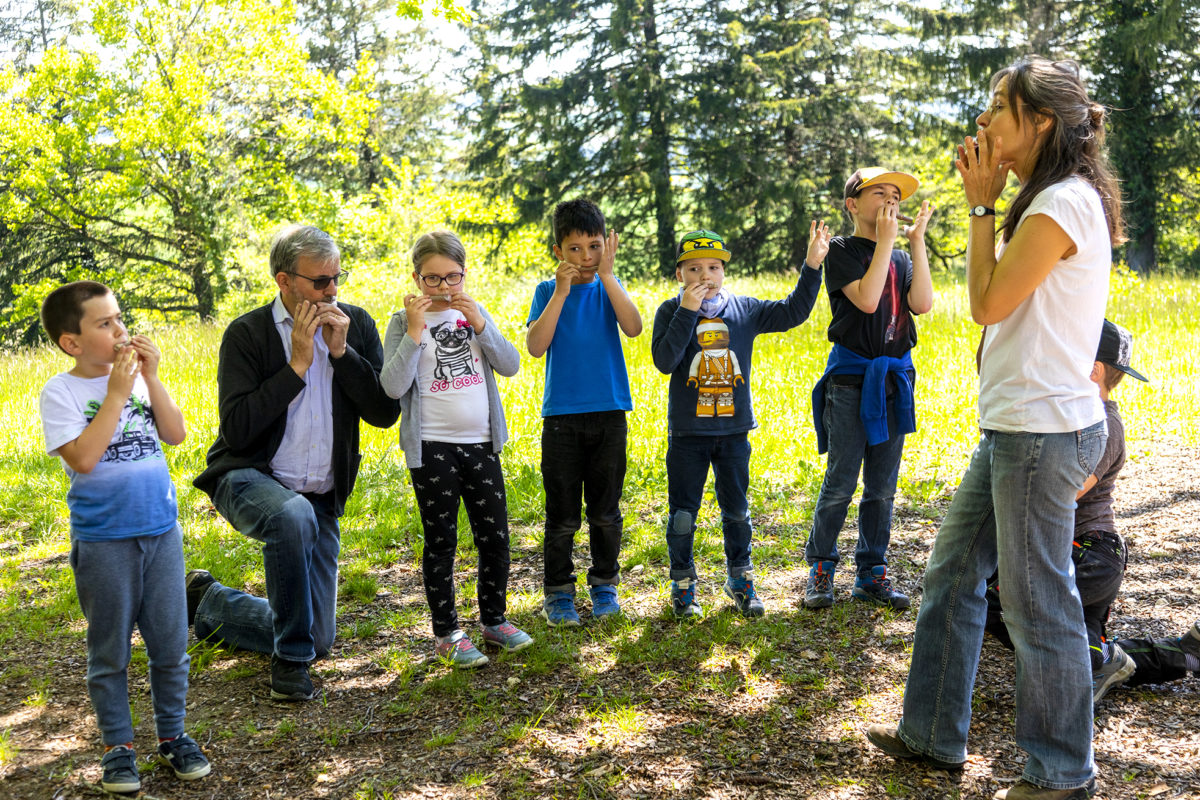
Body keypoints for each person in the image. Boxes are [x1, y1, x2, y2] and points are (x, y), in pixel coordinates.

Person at [866, 57, 1124, 800]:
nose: (983, 123)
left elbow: (985, 303)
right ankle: (932, 737)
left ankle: (1061, 773)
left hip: (1042, 435)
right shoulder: (1047, 199)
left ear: (1040, 122)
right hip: (1018, 429)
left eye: (997, 110)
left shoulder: (1061, 206)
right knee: (952, 574)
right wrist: (993, 204)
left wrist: (982, 207)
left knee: (1038, 603)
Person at [188, 225, 400, 701]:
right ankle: (289, 664)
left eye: (337, 278)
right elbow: (238, 430)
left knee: (319, 637)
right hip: (247, 476)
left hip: (320, 495)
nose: (332, 291)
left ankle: (209, 602)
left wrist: (342, 354)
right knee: (290, 515)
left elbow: (385, 414)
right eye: (320, 281)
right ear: (285, 281)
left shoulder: (356, 324)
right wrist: (298, 365)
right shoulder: (247, 333)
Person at [39, 281, 211, 793]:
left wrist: (151, 380)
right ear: (73, 342)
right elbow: (84, 458)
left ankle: (173, 735)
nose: (121, 330)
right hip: (105, 540)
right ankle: (118, 746)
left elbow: (175, 434)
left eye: (120, 318)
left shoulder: (137, 381)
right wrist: (115, 394)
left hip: (160, 532)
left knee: (170, 645)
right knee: (110, 650)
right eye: (105, 323)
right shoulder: (61, 391)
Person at [651, 225, 830, 618]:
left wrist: (813, 265)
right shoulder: (670, 311)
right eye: (694, 269)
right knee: (683, 514)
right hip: (687, 436)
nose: (704, 278)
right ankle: (682, 584)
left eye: (713, 268)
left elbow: (793, 312)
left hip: (733, 435)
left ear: (724, 272)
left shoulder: (744, 310)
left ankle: (741, 580)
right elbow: (665, 361)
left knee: (737, 512)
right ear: (679, 274)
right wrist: (686, 310)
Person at [380, 230, 533, 667]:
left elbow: (510, 364)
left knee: (496, 536)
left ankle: (494, 619)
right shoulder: (401, 322)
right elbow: (392, 387)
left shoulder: (474, 314)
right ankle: (447, 632)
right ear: (416, 278)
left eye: (453, 277)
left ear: (465, 275)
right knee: (442, 540)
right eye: (432, 279)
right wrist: (413, 333)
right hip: (432, 449)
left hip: (481, 444)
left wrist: (481, 326)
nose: (444, 288)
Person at [802, 167, 935, 610]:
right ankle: (821, 567)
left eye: (895, 194)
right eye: (879, 191)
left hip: (895, 380)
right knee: (841, 480)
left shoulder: (898, 255)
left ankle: (871, 571)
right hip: (851, 381)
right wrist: (886, 243)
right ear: (853, 204)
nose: (890, 199)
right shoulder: (842, 250)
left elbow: (922, 304)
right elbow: (867, 299)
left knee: (883, 484)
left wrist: (914, 242)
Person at [526, 198, 643, 626]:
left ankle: (605, 585)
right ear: (558, 250)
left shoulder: (608, 286)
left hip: (610, 413)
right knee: (561, 516)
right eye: (574, 249)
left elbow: (633, 327)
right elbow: (536, 347)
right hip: (561, 418)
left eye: (594, 247)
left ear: (607, 246)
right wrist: (560, 292)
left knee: (605, 511)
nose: (585, 258)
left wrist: (609, 277)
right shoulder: (546, 290)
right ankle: (558, 593)